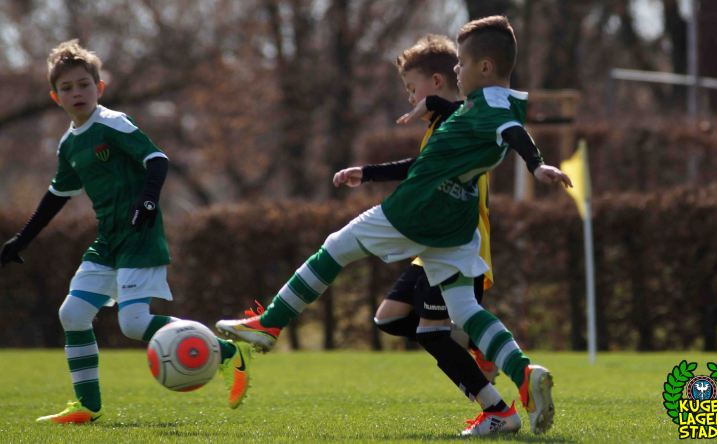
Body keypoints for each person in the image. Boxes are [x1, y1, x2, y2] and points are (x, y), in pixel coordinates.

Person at [217, 15, 570, 435]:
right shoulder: (493, 103)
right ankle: (520, 380)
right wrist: (386, 154)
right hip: (456, 226)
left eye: (461, 63)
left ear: (485, 67)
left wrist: (536, 164)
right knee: (464, 310)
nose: (456, 69)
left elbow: (512, 133)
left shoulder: (493, 109)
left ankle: (271, 323)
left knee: (336, 246)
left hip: (418, 209)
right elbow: (484, 129)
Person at [0, 40, 252, 424]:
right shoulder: (69, 145)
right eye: (67, 87)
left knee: (133, 325)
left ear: (99, 88)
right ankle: (88, 406)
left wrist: (147, 201)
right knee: (73, 313)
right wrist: (23, 238)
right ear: (55, 97)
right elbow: (56, 196)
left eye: (84, 84)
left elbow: (157, 159)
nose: (76, 92)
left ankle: (230, 353)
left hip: (139, 235)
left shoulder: (112, 123)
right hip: (107, 241)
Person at [330, 34, 547, 436]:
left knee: (431, 333)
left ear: (436, 81)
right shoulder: (443, 122)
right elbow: (420, 168)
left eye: (412, 88)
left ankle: (496, 400)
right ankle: (480, 348)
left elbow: (493, 124)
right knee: (390, 318)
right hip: (430, 244)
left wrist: (536, 164)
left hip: (456, 243)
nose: (410, 97)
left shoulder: (465, 117)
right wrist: (368, 173)